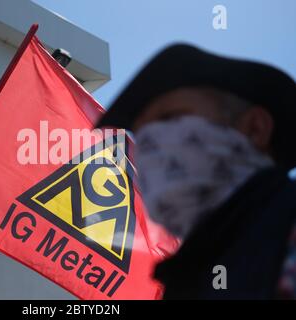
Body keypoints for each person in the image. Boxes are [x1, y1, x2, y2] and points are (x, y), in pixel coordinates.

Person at [97, 44, 296, 299]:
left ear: (255, 129)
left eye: (169, 118)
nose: (151, 146)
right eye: (143, 137)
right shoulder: (186, 274)